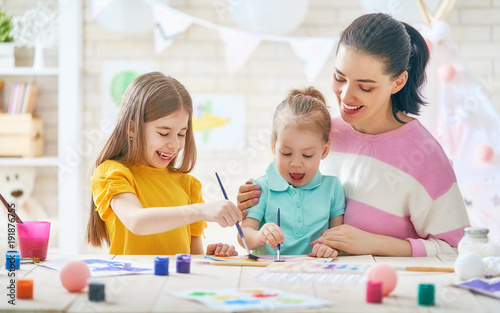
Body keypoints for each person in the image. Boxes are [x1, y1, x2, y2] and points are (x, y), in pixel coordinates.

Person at [237, 13, 470, 257]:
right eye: (339, 78)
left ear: (398, 82)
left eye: (365, 87)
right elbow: (284, 194)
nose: (346, 96)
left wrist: (375, 244)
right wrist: (254, 200)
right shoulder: (321, 134)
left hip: (384, 292)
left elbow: (457, 249)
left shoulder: (425, 157)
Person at [86, 72, 243, 256]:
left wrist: (210, 258)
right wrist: (201, 210)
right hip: (135, 283)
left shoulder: (188, 186)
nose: (175, 144)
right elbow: (136, 221)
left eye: (181, 134)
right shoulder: (112, 172)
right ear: (131, 128)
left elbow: (193, 257)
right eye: (163, 133)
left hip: (178, 285)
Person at [239, 87, 345, 258]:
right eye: (286, 153)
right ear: (274, 147)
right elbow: (244, 234)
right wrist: (259, 235)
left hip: (316, 272)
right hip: (270, 271)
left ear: (324, 151)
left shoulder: (333, 188)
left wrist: (331, 248)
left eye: (307, 155)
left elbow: (337, 237)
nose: (296, 164)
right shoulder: (261, 187)